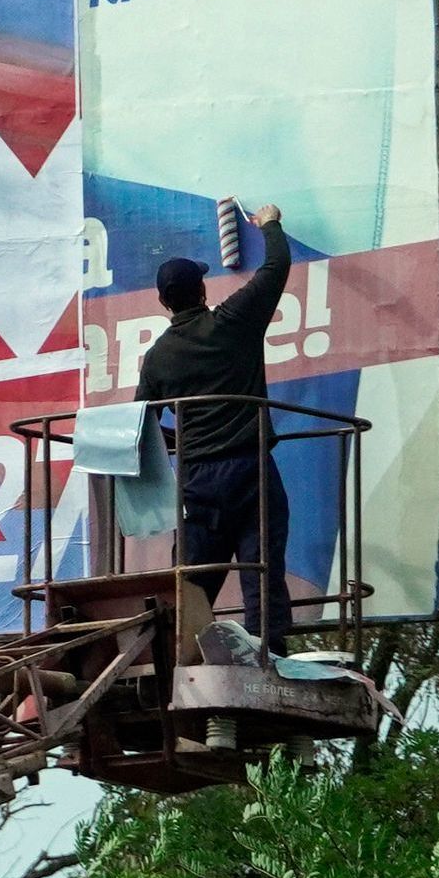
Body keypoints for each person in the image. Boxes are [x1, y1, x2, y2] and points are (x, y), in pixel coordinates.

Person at [134, 203, 293, 657]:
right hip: (249, 472)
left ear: (164, 302)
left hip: (197, 482)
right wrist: (270, 223)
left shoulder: (158, 357)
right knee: (260, 575)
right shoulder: (232, 322)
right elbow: (277, 265)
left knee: (190, 583)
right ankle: (270, 658)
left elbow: (139, 425)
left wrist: (181, 441)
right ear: (203, 290)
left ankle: (177, 660)